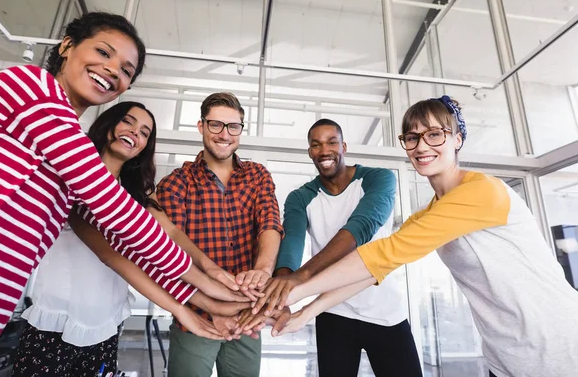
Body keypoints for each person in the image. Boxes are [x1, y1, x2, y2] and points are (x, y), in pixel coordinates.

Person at [270, 96, 578, 377]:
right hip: (505, 354)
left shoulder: (484, 191)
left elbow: (387, 252)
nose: (421, 146)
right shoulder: (431, 211)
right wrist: (305, 312)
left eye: (434, 134)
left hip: (557, 344)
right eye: (412, 137)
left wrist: (294, 291)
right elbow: (378, 268)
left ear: (457, 139)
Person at [0, 12, 200, 364]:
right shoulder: (30, 85)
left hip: (5, 311)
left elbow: (152, 239)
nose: (113, 69)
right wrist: (205, 296)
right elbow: (117, 239)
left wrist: (206, 290)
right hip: (54, 321)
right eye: (104, 52)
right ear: (66, 45)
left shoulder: (68, 171)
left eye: (127, 70)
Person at [11, 102, 250, 376]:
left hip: (107, 327)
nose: (135, 133)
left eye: (145, 132)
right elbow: (114, 255)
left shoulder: (135, 196)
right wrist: (199, 303)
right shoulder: (73, 179)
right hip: (54, 325)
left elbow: (169, 234)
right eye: (128, 122)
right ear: (108, 125)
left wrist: (213, 275)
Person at [240, 118, 421, 376]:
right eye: (316, 144)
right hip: (333, 311)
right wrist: (281, 291)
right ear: (310, 152)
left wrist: (298, 279)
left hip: (385, 311)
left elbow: (359, 229)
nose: (324, 150)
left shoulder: (379, 179)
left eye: (331, 142)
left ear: (343, 146)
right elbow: (291, 242)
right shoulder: (300, 197)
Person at [156, 92, 283, 377]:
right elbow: (171, 249)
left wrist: (263, 269)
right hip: (196, 315)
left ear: (241, 130)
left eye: (233, 126)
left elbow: (270, 223)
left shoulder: (257, 175)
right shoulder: (175, 183)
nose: (225, 134)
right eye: (216, 125)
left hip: (247, 317)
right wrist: (213, 308)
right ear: (201, 126)